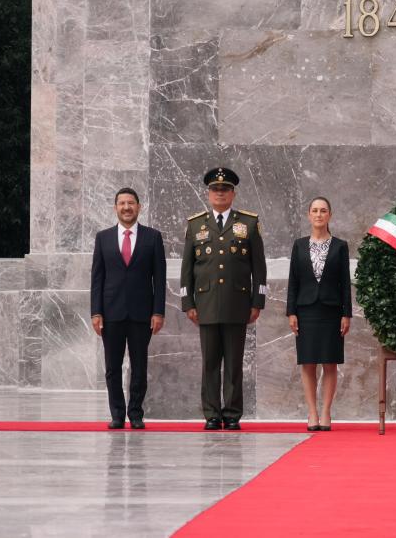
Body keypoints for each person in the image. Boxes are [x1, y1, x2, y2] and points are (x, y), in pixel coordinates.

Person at [180, 167, 267, 431]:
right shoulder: (196, 225)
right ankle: (211, 414)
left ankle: (231, 414)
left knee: (233, 363)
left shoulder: (248, 223)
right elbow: (187, 269)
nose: (220, 194)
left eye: (225, 190)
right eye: (215, 190)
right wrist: (188, 303)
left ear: (233, 193)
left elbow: (259, 268)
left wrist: (257, 302)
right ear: (209, 194)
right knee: (209, 363)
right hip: (205, 305)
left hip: (237, 303)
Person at [90, 187, 167, 429]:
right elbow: (97, 278)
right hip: (111, 313)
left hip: (141, 313)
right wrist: (96, 312)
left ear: (138, 207)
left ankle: (135, 413)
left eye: (131, 203)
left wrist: (158, 312)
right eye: (122, 203)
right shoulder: (103, 238)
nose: (126, 207)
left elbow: (159, 278)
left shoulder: (152, 237)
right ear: (115, 208)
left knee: (139, 366)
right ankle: (116, 413)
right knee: (112, 367)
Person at [286, 197, 352, 431]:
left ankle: (326, 413)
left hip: (331, 310)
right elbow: (293, 280)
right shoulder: (299, 245)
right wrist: (291, 311)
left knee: (330, 362)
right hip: (306, 310)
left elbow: (345, 282)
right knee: (308, 363)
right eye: (314, 210)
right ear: (308, 215)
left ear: (330, 215)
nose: (318, 214)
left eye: (323, 210)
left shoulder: (340, 246)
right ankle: (312, 413)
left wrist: (347, 314)